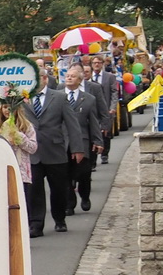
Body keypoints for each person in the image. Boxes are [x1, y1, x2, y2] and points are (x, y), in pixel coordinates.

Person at [27, 81, 75, 233]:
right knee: (34, 190)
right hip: (33, 151)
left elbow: (72, 124)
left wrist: (77, 148)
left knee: (59, 188)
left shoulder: (59, 97)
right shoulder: (22, 98)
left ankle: (60, 219)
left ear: (45, 79)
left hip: (55, 150)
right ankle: (36, 224)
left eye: (40, 76)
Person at [61, 66, 106, 214]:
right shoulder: (58, 96)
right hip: (62, 142)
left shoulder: (88, 99)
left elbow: (93, 121)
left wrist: (98, 141)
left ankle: (85, 196)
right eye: (67, 75)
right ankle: (69, 203)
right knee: (65, 174)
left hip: (83, 141)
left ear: (80, 80)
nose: (68, 78)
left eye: (72, 76)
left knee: (84, 173)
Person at [0, 100, 40, 235]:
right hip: (2, 171)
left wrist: (18, 136)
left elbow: (33, 148)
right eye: (5, 107)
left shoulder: (26, 126)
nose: (7, 111)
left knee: (21, 203)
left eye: (10, 108)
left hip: (21, 171)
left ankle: (22, 231)